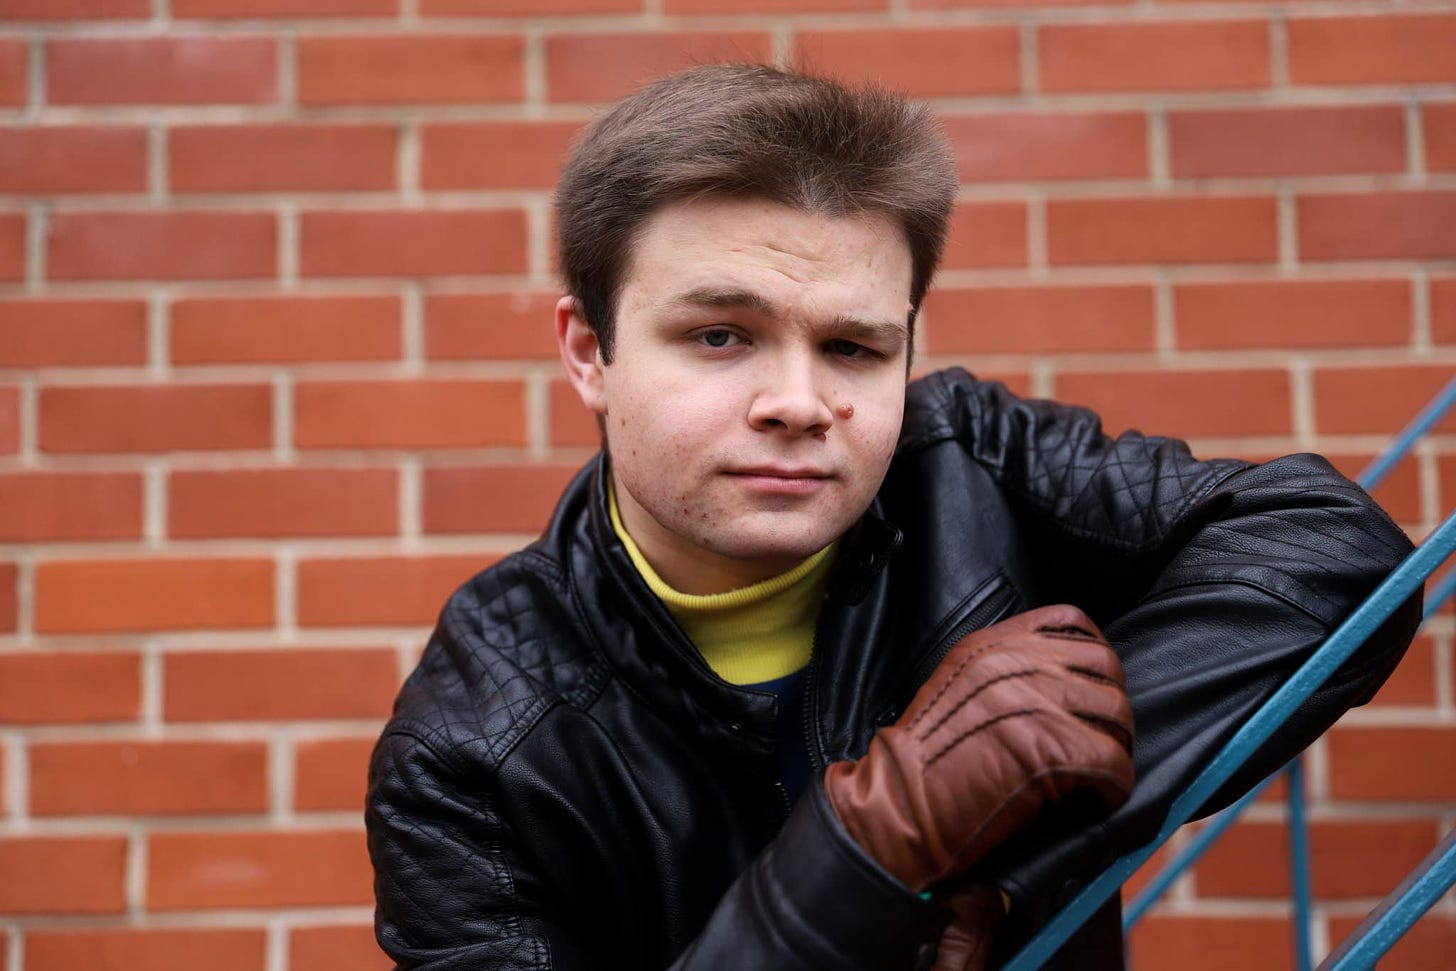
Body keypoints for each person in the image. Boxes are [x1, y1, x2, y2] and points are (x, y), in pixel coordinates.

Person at [365, 64, 1419, 970]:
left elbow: (1332, 548)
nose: (798, 399)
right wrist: (875, 839)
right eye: (721, 335)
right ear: (589, 351)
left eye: (853, 348)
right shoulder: (468, 750)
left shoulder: (962, 456)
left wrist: (1002, 850)